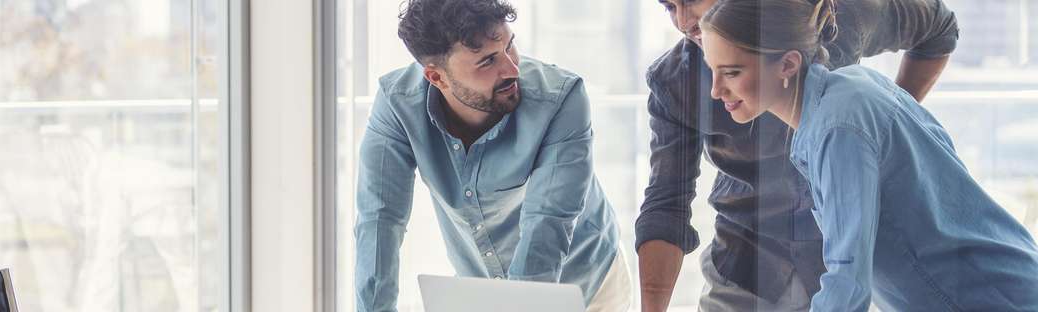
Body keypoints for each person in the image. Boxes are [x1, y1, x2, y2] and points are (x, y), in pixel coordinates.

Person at [697, 0, 1038, 310]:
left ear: (787, 64)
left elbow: (847, 285)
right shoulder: (854, 88)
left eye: (731, 72)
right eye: (712, 70)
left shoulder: (838, 128)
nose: (716, 90)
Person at [634, 0, 960, 310]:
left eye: (689, 2)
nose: (682, 21)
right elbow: (666, 204)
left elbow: (939, 28)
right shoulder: (675, 79)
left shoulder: (833, 18)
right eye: (669, 7)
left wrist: (891, 124)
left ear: (789, 63)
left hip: (844, 258)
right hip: (746, 262)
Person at [354, 0, 632, 311]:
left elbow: (546, 226)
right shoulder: (398, 104)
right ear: (437, 78)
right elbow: (379, 221)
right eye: (487, 61)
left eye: (509, 46)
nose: (512, 69)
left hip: (585, 280)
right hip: (481, 285)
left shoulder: (561, 99)